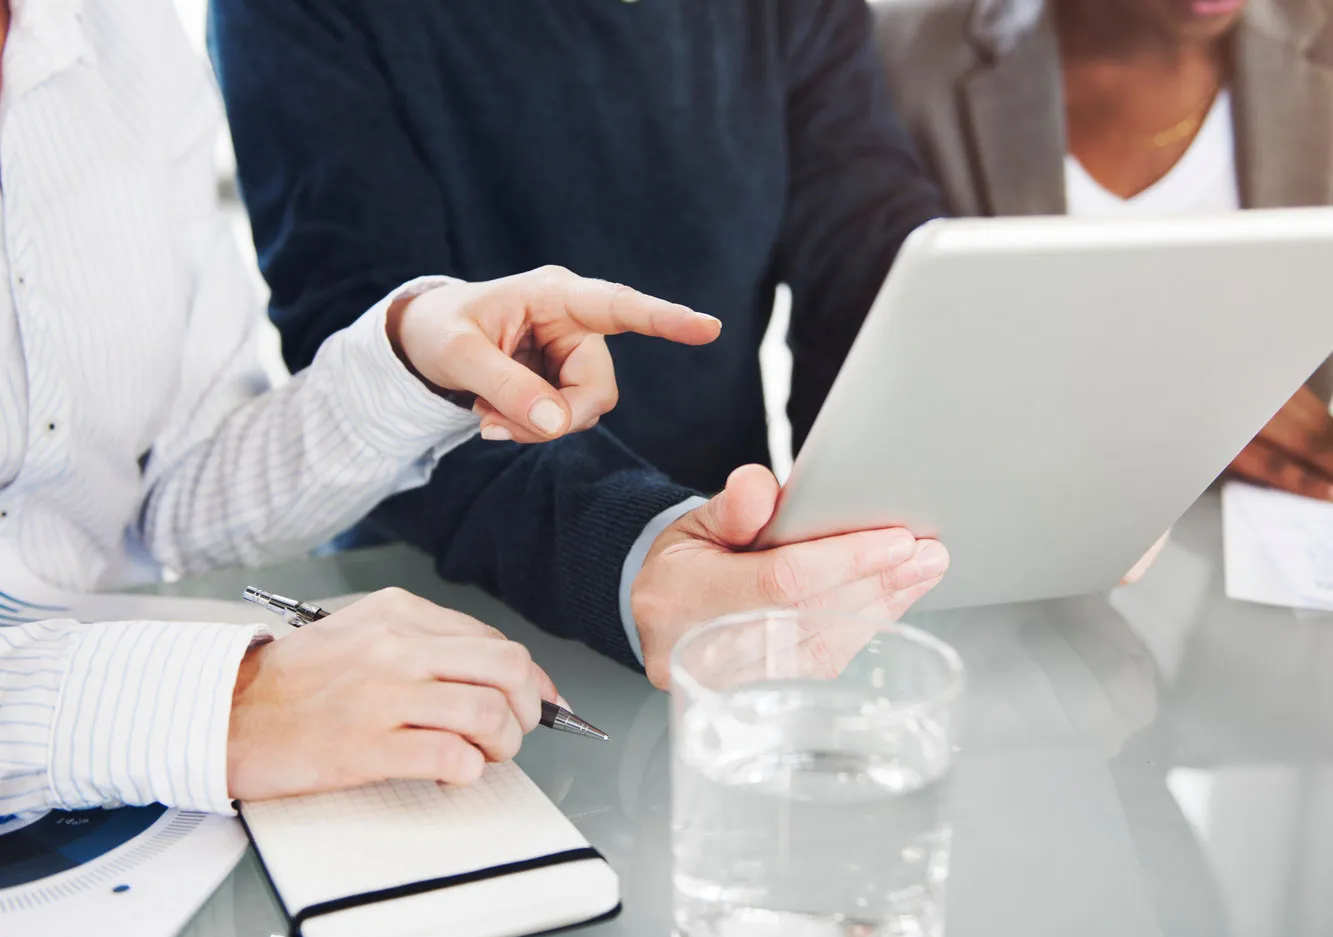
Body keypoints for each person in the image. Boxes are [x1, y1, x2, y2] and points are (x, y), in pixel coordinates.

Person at [0, 0, 747, 817]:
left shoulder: (122, 36)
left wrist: (409, 365)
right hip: (133, 757)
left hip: (141, 794)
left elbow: (174, 502)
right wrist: (221, 705)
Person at [207, 0, 953, 683]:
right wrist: (636, 554)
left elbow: (862, 254)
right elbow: (366, 345)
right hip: (429, 606)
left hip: (741, 576)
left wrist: (865, 505)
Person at [874, 0, 1333, 500]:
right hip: (1012, 525)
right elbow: (869, 390)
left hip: (1272, 547)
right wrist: (1165, 410)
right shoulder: (897, 59)